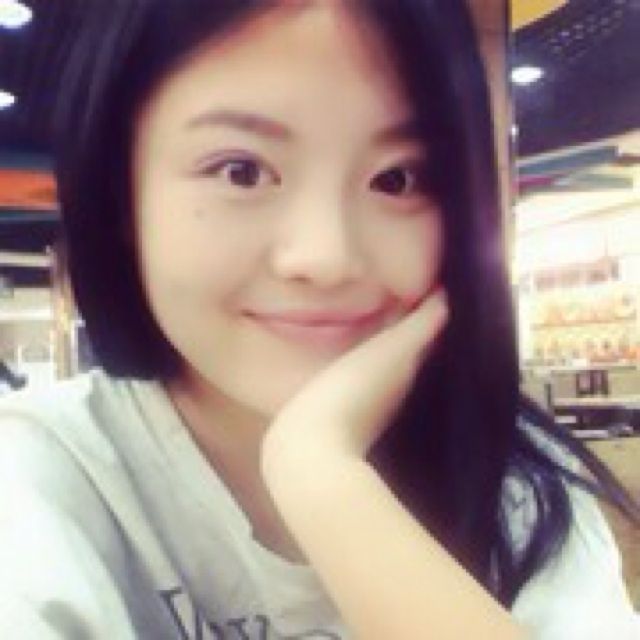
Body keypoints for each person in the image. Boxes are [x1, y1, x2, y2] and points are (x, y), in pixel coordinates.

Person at [0, 0, 638, 638]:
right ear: (120, 194)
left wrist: (318, 473)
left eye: (397, 179)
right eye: (242, 171)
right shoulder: (38, 478)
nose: (327, 257)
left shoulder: (516, 483)